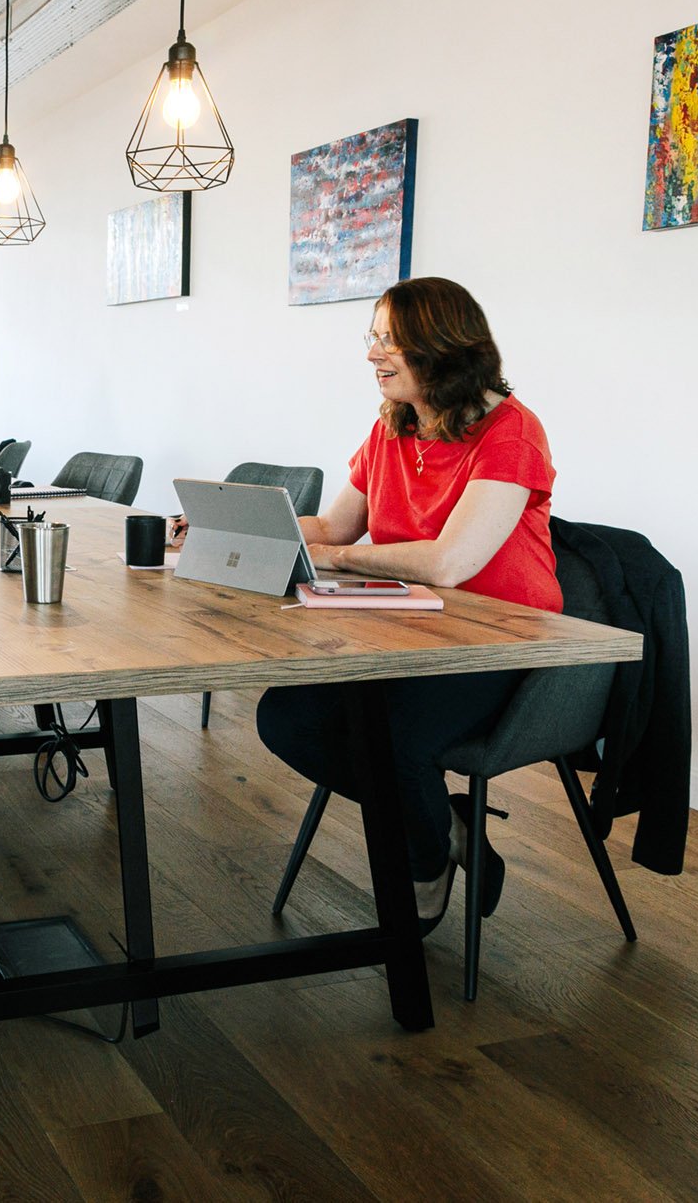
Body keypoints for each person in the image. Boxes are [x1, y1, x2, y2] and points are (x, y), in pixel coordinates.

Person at [244, 276, 560, 934]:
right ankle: (446, 824)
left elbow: (449, 562)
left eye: (389, 340)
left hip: (498, 642)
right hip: (404, 627)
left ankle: (425, 859)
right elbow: (335, 527)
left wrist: (338, 559)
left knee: (392, 737)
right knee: (286, 718)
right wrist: (246, 526)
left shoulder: (511, 432)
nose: (372, 354)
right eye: (374, 337)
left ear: (443, 346)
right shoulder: (393, 426)